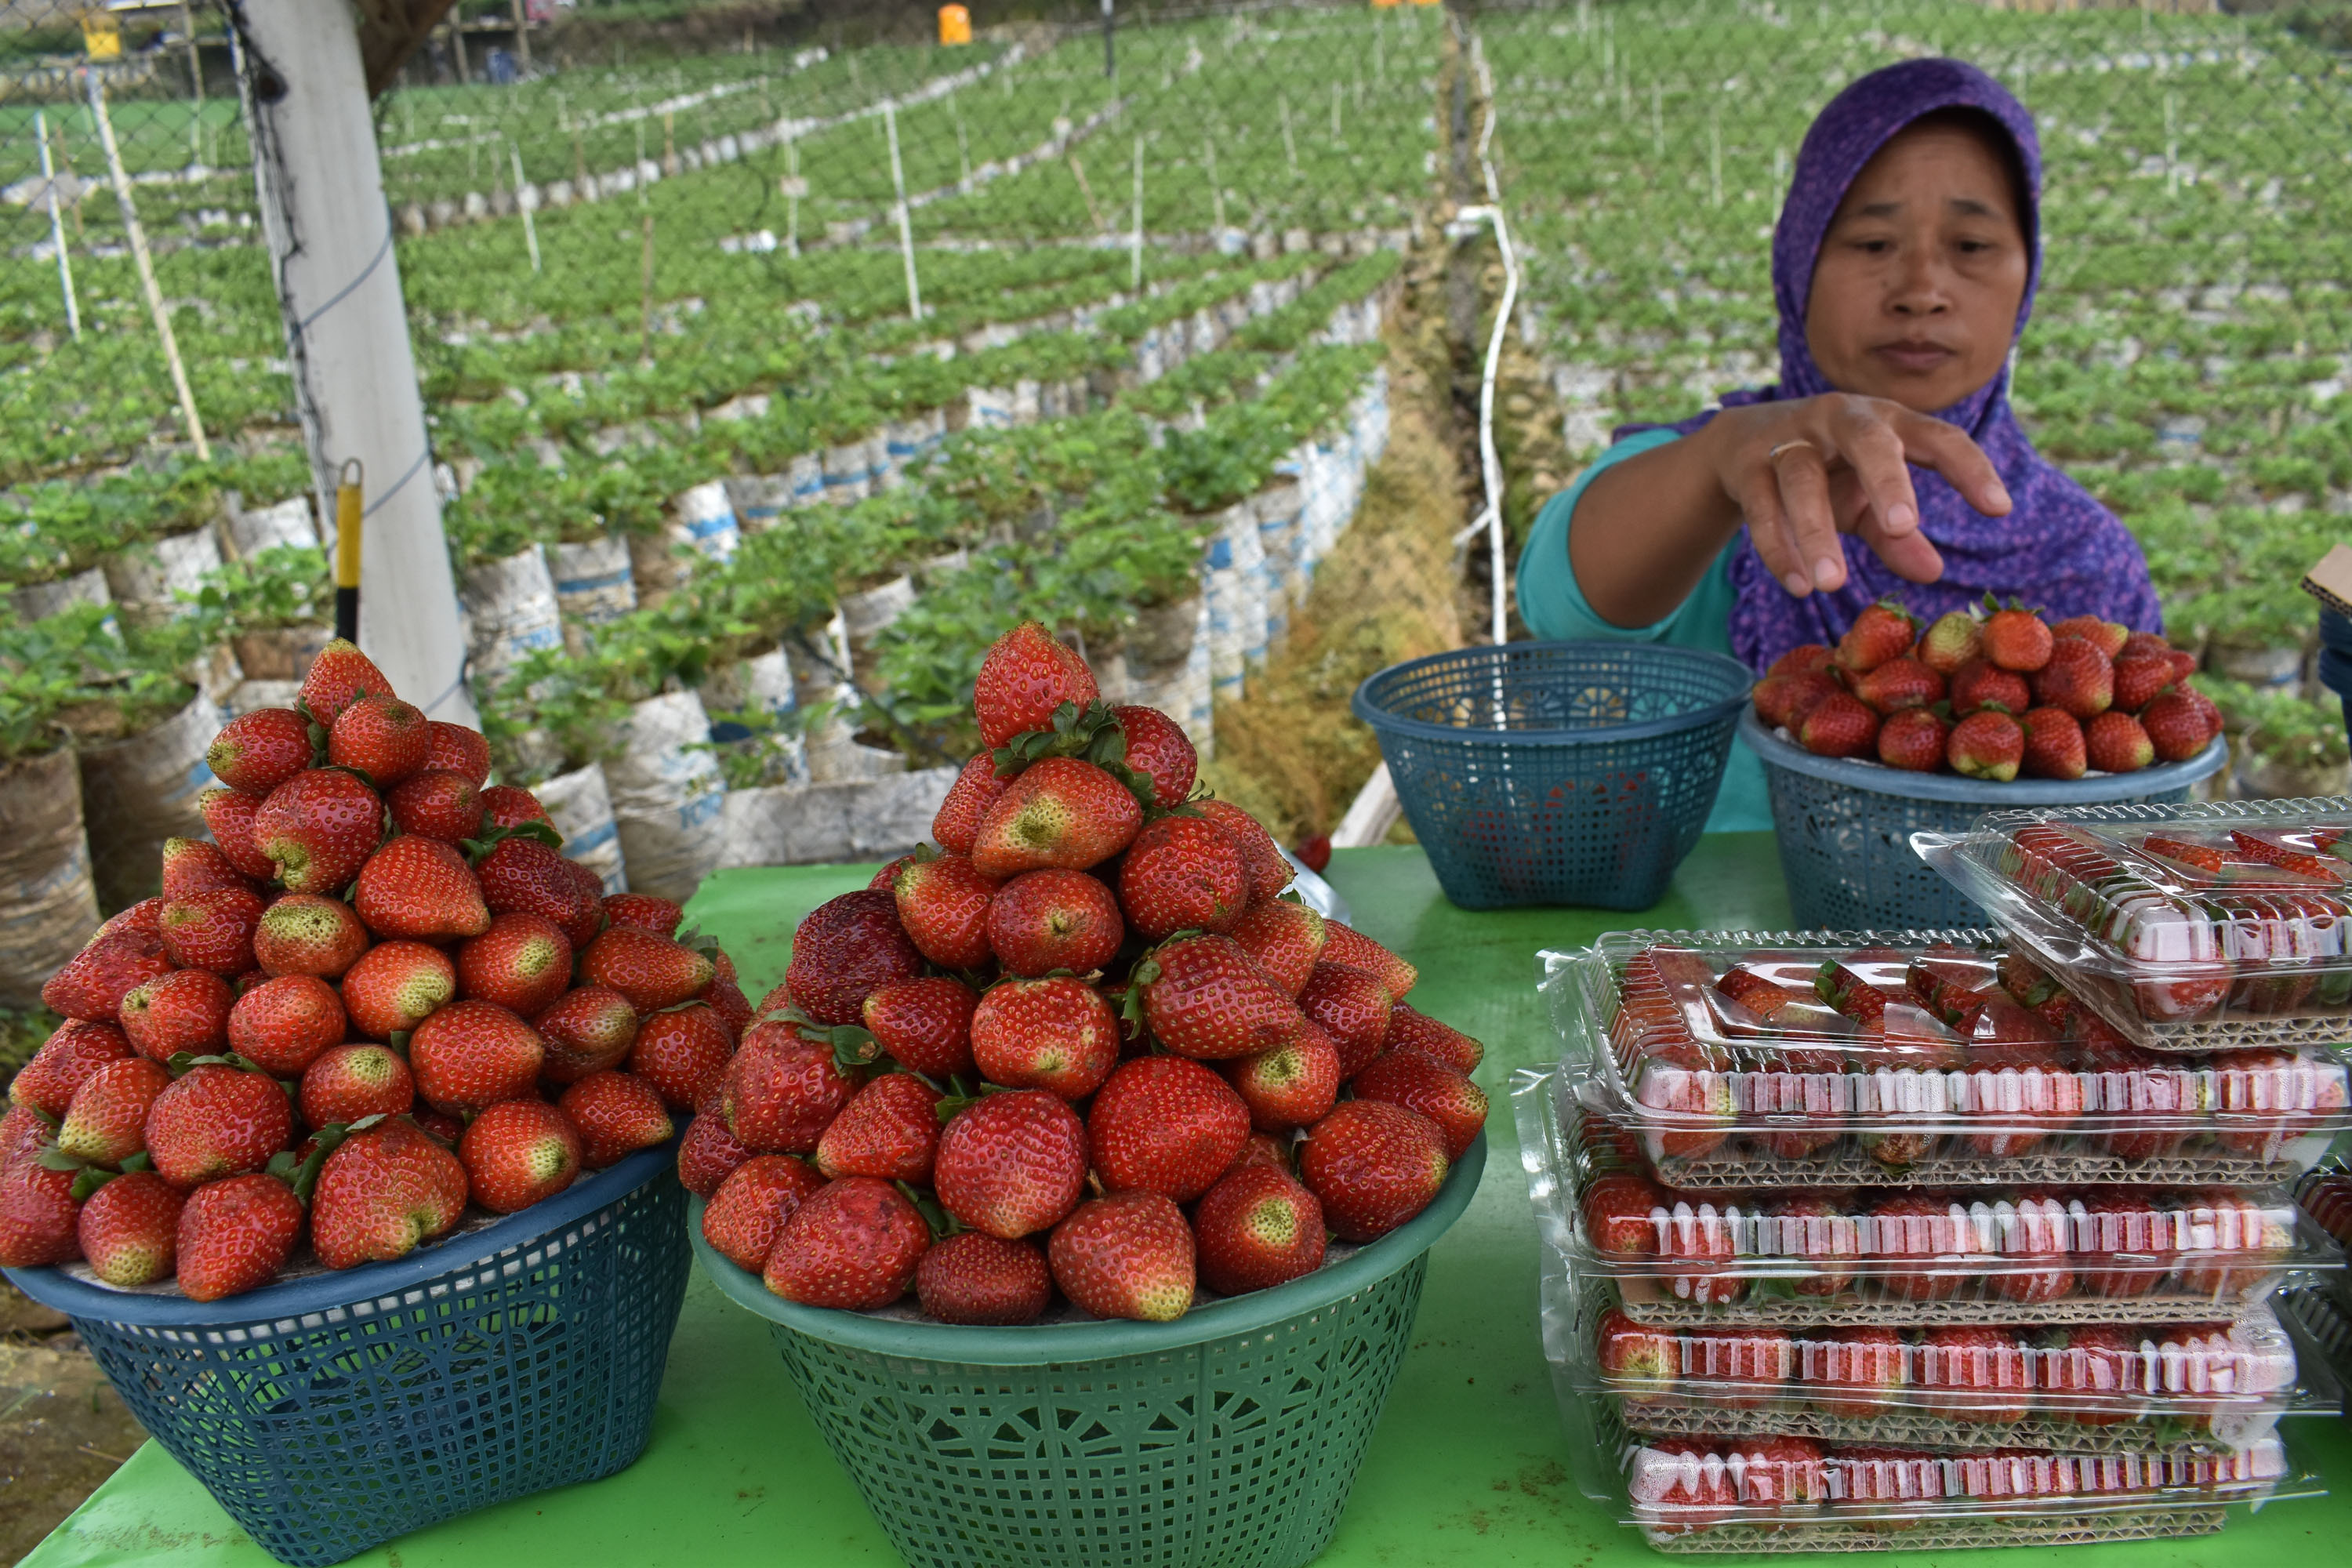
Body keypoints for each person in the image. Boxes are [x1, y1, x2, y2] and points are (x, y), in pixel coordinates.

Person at [1515, 59, 2160, 832]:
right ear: (1799, 262)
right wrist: (1716, 465)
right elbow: (1561, 604)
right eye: (1873, 242)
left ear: (2028, 275)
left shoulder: (2087, 557)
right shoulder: (1717, 476)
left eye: (1972, 244)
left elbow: (2131, 826)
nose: (1921, 290)